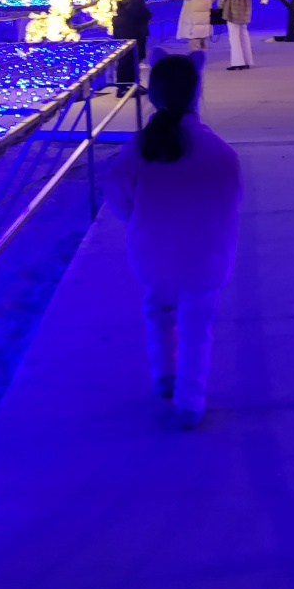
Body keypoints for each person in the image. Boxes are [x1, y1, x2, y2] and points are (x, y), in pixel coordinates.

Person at [106, 51, 243, 430]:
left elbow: (118, 195)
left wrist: (138, 220)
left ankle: (162, 377)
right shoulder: (219, 151)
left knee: (157, 309)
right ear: (196, 91)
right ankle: (190, 402)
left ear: (154, 94)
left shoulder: (138, 148)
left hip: (152, 252)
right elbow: (231, 202)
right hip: (205, 256)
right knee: (198, 326)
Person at [111, 0, 152, 96]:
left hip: (126, 27)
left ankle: (131, 85)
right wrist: (147, 15)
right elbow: (136, 9)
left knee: (131, 58)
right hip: (130, 28)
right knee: (128, 58)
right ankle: (124, 87)